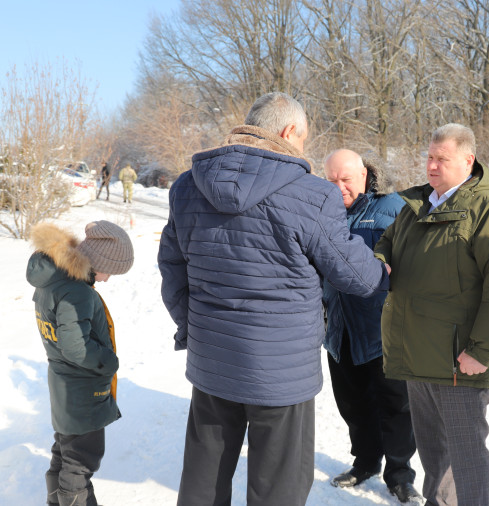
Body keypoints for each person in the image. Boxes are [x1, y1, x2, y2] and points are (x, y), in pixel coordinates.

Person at [157, 92, 390, 506]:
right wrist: (382, 272)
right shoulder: (314, 194)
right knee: (278, 488)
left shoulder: (187, 186)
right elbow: (353, 274)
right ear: (288, 132)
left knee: (203, 480)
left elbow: (173, 272)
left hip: (213, 362)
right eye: (303, 139)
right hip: (281, 374)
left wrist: (194, 327)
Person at [374, 123, 489, 506]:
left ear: (468, 159)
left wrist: (481, 349)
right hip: (416, 350)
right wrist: (380, 261)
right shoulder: (417, 206)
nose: (431, 166)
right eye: (429, 157)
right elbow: (386, 243)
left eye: (441, 158)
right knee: (433, 452)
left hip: (459, 357)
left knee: (467, 456)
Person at [322, 149, 420, 503]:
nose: (338, 187)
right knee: (353, 403)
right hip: (340, 329)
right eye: (331, 179)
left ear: (365, 175)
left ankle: (399, 474)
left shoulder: (392, 208)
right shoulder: (320, 211)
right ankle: (365, 462)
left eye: (345, 179)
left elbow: (416, 263)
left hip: (384, 331)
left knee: (395, 406)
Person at [27, 220, 134, 506]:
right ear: (96, 261)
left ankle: (54, 501)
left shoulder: (54, 281)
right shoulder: (78, 293)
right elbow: (77, 348)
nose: (108, 278)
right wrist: (109, 361)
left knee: (65, 452)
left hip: (64, 385)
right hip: (82, 392)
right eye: (109, 270)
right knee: (80, 463)